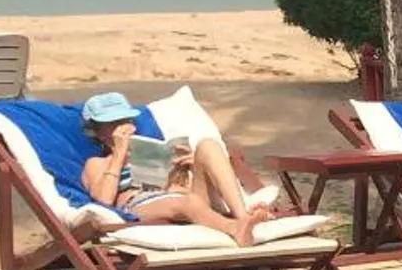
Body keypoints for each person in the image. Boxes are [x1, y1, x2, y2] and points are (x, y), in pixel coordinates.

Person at [76, 93, 273, 243]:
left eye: (126, 120)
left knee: (208, 146)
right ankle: (233, 228)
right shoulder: (96, 163)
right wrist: (119, 154)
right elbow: (103, 201)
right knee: (185, 203)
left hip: (184, 197)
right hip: (143, 205)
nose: (123, 127)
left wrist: (191, 166)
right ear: (98, 133)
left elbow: (183, 188)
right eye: (113, 124)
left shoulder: (153, 149)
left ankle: (243, 217)